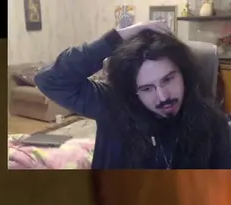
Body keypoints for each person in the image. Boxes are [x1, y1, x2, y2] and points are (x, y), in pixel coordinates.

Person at [34, 20, 231, 169]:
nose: (163, 97)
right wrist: (115, 38)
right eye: (147, 88)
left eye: (168, 79)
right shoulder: (112, 106)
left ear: (184, 73)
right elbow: (50, 79)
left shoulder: (213, 125)